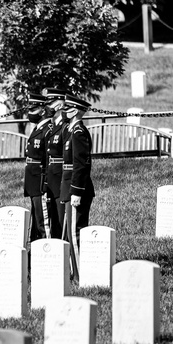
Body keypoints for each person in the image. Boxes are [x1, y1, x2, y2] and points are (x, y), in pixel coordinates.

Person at [60, 94, 94, 248]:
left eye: (66, 109)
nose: (63, 112)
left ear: (74, 111)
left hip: (76, 188)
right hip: (68, 186)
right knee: (68, 234)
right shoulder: (71, 130)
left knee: (75, 235)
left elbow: (81, 164)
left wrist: (76, 191)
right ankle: (71, 264)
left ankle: (79, 265)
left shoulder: (78, 132)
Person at [23, 92, 51, 242]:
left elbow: (47, 158)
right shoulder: (38, 128)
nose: (30, 113)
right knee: (36, 219)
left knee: (42, 221)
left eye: (33, 109)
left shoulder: (47, 129)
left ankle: (46, 247)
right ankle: (34, 246)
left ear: (42, 110)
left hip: (40, 180)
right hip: (33, 180)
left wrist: (45, 182)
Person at [42, 88, 68, 239]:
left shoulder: (65, 126)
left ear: (59, 105)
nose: (47, 107)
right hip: (52, 177)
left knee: (60, 218)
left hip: (60, 178)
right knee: (53, 217)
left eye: (50, 103)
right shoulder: (52, 127)